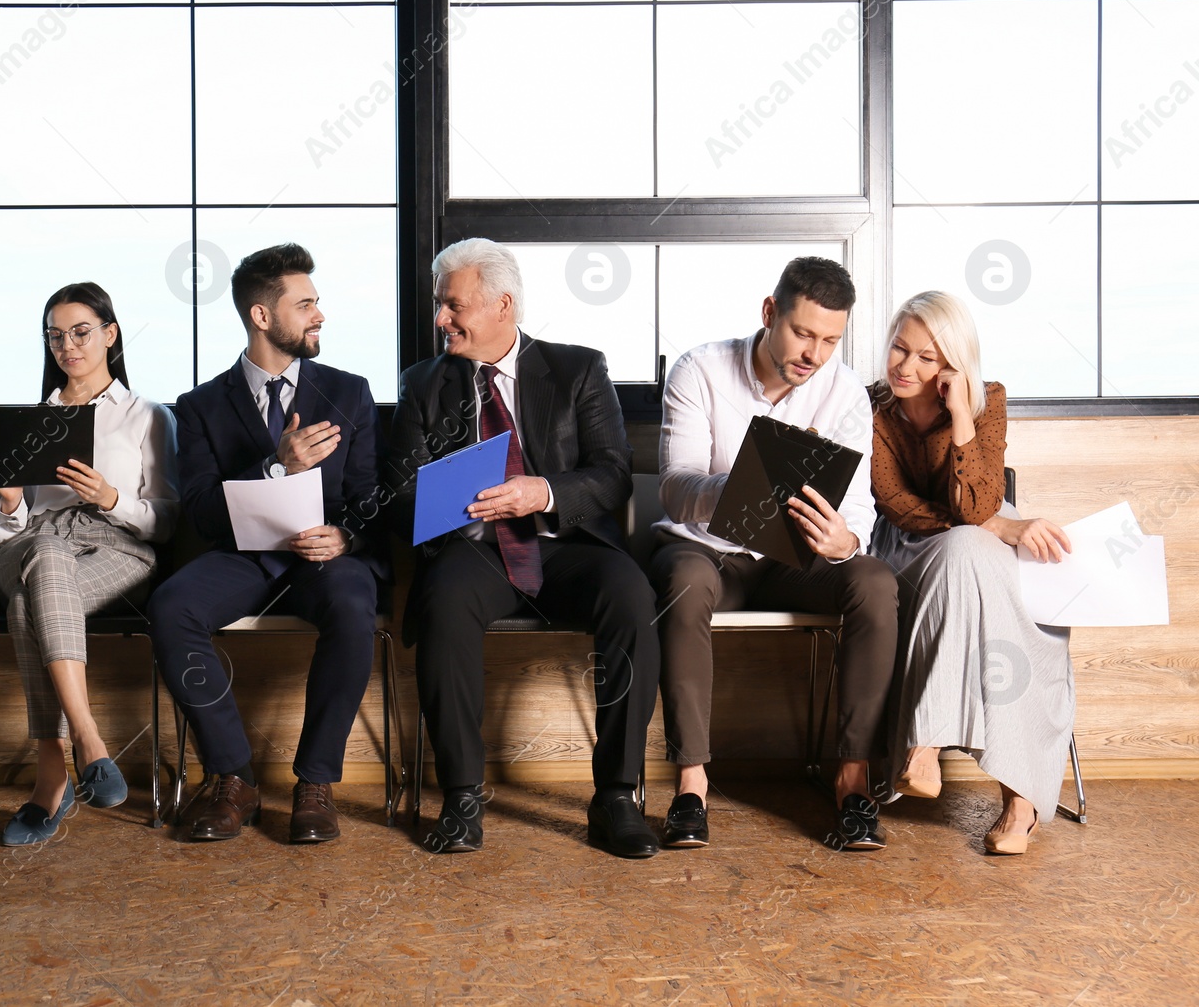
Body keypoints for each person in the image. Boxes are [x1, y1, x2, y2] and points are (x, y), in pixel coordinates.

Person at [387, 238, 661, 859]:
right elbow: (399, 492)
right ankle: (461, 797)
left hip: (564, 543)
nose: (440, 320)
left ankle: (617, 795)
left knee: (631, 596)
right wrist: (453, 495)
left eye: (452, 306)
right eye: (438, 306)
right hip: (476, 547)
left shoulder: (577, 368)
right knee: (443, 600)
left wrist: (541, 491)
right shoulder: (422, 383)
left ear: (502, 304)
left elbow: (614, 473)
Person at [651, 256, 897, 851]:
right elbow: (675, 487)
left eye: (830, 341)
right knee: (682, 583)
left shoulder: (843, 394)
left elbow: (858, 507)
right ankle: (691, 786)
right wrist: (740, 486)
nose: (815, 353)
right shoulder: (700, 370)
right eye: (804, 333)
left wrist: (846, 540)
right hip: (709, 552)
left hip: (796, 560)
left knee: (876, 583)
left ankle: (853, 778)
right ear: (770, 314)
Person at [149, 243, 384, 844]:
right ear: (261, 316)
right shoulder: (199, 406)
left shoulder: (350, 391)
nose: (319, 315)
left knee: (354, 606)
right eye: (304, 304)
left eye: (317, 303)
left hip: (324, 558)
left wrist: (347, 535)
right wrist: (274, 469)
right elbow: (201, 511)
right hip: (242, 557)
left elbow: (367, 495)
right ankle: (231, 775)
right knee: (172, 607)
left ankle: (314, 783)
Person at [870, 290, 1074, 856]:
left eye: (927, 358)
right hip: (910, 546)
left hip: (980, 540)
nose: (906, 367)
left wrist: (961, 415)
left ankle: (927, 744)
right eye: (899, 349)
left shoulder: (988, 401)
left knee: (1013, 602)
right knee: (966, 548)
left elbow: (981, 498)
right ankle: (1021, 798)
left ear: (954, 364)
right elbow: (892, 502)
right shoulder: (873, 408)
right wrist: (993, 528)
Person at [0, 282, 179, 846]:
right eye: (55, 336)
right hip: (32, 544)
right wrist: (10, 502)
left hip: (116, 546)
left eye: (80, 332)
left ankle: (53, 777)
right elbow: (9, 534)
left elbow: (166, 522)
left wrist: (109, 497)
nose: (67, 346)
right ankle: (90, 740)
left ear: (110, 334)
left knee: (30, 601)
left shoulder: (147, 415)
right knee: (43, 554)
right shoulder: (30, 420)